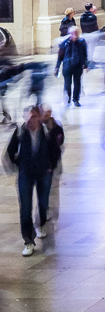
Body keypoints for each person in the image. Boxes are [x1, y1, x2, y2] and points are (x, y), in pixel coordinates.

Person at [7, 106, 61, 256]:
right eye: (28, 118)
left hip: (44, 173)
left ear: (38, 117)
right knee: (25, 208)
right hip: (26, 174)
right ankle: (28, 241)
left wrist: (51, 166)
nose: (31, 121)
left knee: (43, 203)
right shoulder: (19, 132)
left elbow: (56, 150)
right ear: (24, 118)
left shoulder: (46, 132)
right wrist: (19, 165)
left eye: (34, 117)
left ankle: (42, 223)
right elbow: (10, 151)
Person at [55, 26, 88, 107]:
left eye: (77, 33)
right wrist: (57, 67)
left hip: (78, 66)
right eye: (74, 33)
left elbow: (85, 54)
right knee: (67, 84)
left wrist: (85, 64)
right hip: (67, 66)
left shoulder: (82, 42)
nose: (75, 35)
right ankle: (68, 98)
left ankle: (76, 99)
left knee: (77, 83)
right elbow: (60, 56)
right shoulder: (64, 42)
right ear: (70, 34)